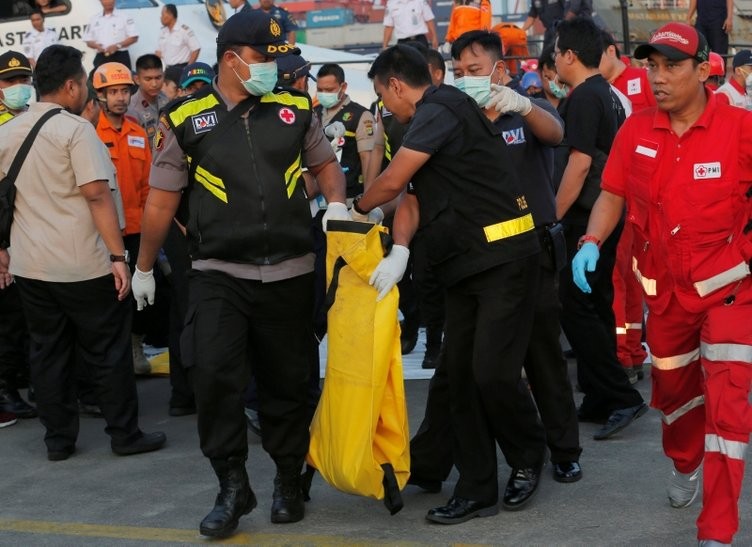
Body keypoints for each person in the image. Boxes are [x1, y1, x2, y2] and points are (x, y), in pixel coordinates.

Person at [132, 10, 348, 538]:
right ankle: (232, 485)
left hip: (292, 273)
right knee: (213, 375)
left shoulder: (296, 108)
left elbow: (326, 168)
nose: (277, 70)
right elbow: (161, 203)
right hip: (218, 273)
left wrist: (336, 206)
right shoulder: (186, 118)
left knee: (289, 384)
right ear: (232, 59)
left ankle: (287, 480)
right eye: (265, 59)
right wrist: (142, 268)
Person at [572, 21, 752, 546]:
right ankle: (683, 459)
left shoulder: (740, 130)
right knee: (675, 397)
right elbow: (612, 194)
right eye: (652, 65)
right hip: (666, 298)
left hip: (730, 292)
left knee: (728, 409)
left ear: (703, 70)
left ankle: (717, 530)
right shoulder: (636, 131)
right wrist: (590, 241)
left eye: (673, 66)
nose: (659, 77)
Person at [355, 44, 547, 524]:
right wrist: (400, 249)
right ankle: (477, 488)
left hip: (504, 261)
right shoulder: (422, 121)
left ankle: (527, 455)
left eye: (383, 95)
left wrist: (353, 210)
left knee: (492, 374)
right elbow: (416, 196)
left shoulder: (440, 108)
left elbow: (394, 181)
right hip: (463, 265)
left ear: (397, 85)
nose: (384, 106)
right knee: (459, 379)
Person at [0, 44, 166, 461]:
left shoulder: (7, 132)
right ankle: (124, 434)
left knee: (48, 351)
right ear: (73, 85)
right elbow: (96, 196)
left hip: (31, 265)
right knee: (107, 350)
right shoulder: (76, 131)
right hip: (83, 264)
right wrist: (117, 257)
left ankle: (58, 441)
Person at [553, 17, 647, 440]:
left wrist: (552, 214)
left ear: (569, 55)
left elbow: (580, 162)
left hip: (586, 218)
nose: (554, 57)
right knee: (594, 304)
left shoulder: (585, 98)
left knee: (576, 308)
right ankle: (596, 395)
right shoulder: (606, 93)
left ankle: (620, 396)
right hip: (601, 217)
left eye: (556, 50)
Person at [598, 28, 654, 383]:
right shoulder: (600, 91)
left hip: (636, 196)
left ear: (610, 51)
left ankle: (627, 352)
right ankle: (629, 351)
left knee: (627, 279)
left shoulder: (638, 81)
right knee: (625, 278)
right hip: (622, 194)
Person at [92, 62, 153, 375]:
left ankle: (136, 345)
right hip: (105, 232)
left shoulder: (138, 133)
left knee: (138, 295)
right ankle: (111, 355)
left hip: (137, 229)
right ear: (100, 96)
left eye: (124, 90)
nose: (120, 97)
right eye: (113, 91)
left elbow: (147, 187)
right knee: (109, 296)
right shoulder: (89, 132)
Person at [0, 51, 37, 423]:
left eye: (24, 80)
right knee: (8, 319)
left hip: (30, 232)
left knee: (26, 316)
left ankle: (21, 380)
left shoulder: (35, 118)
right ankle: (5, 391)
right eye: (10, 82)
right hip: (5, 236)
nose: (19, 88)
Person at [315, 63, 376, 201]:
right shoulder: (314, 113)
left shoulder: (361, 115)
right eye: (320, 89)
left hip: (349, 196)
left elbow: (368, 159)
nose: (324, 94)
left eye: (329, 90)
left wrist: (367, 199)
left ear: (343, 87)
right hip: (318, 195)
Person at [128, 54, 169, 150]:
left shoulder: (165, 99)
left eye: (158, 78)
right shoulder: (132, 109)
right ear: (137, 79)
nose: (154, 84)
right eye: (148, 79)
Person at [83, 0, 139, 70]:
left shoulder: (124, 16)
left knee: (123, 79)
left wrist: (117, 46)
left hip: (120, 56)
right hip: (101, 56)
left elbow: (134, 37)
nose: (108, 2)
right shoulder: (94, 19)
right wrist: (96, 46)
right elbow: (88, 41)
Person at [156, 4, 201, 70]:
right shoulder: (163, 31)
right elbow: (158, 52)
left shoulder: (184, 30)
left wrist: (188, 68)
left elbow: (196, 49)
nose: (161, 17)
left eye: (163, 15)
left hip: (180, 68)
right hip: (166, 69)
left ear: (170, 15)